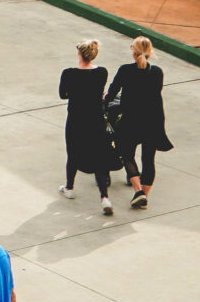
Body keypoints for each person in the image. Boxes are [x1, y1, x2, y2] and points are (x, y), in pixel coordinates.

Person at [104, 35, 173, 209]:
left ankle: (138, 191)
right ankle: (144, 197)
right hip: (153, 120)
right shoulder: (157, 72)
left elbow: (113, 91)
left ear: (134, 52)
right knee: (148, 160)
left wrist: (105, 101)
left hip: (132, 119)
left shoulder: (125, 70)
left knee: (126, 153)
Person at [58, 37, 119, 216]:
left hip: (76, 119)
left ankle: (69, 187)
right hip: (95, 119)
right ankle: (104, 198)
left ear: (79, 54)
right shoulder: (102, 72)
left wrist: (75, 93)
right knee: (99, 157)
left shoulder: (68, 73)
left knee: (73, 152)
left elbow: (63, 94)